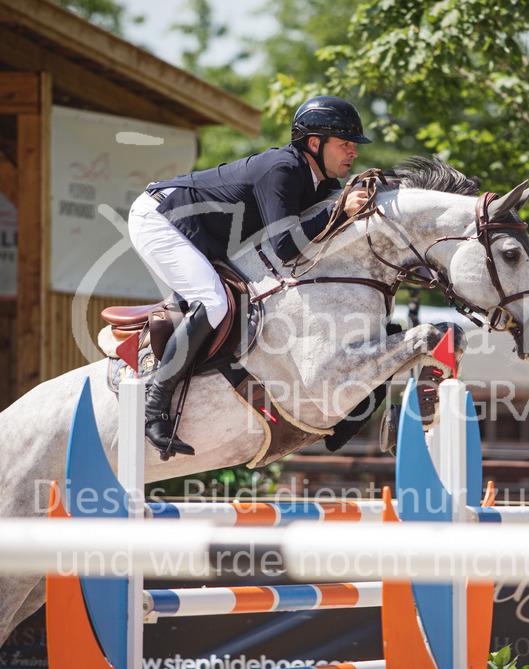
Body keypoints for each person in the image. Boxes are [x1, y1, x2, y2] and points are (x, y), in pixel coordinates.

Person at [129, 95, 373, 457]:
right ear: (314, 143)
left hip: (204, 236)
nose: (353, 153)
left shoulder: (320, 183)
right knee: (213, 303)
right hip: (161, 221)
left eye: (353, 145)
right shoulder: (283, 169)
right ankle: (154, 406)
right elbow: (287, 247)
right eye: (345, 144)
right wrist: (339, 212)